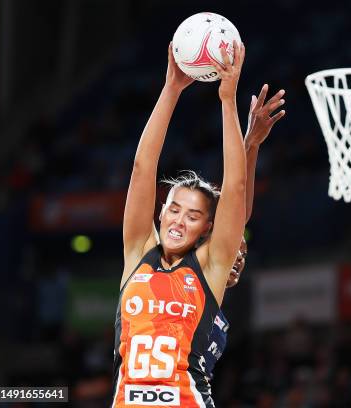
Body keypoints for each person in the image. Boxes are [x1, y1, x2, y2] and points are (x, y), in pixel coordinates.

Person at [111, 41, 284, 407]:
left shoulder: (208, 267)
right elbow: (143, 168)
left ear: (207, 227)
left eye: (192, 216)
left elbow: (236, 194)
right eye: (173, 209)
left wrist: (227, 100)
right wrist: (171, 88)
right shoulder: (138, 253)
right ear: (160, 212)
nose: (178, 220)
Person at [203, 85, 285, 387]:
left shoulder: (219, 307)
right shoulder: (193, 274)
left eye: (244, 254)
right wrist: (249, 143)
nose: (238, 258)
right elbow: (236, 209)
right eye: (235, 248)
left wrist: (254, 145)